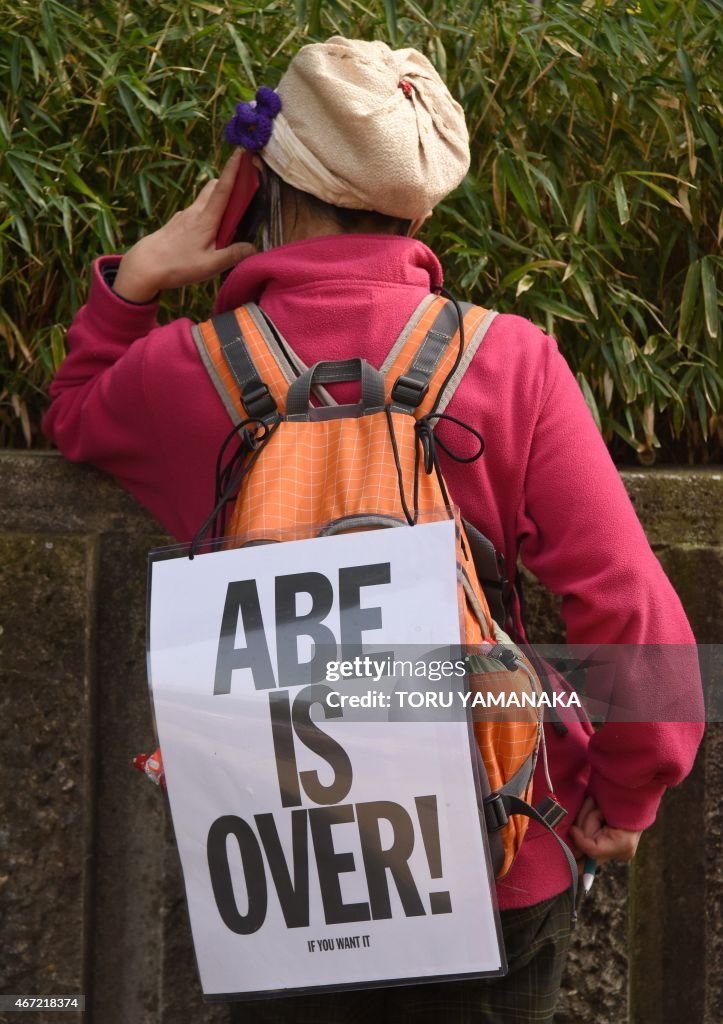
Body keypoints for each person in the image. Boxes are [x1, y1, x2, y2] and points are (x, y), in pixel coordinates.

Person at [43, 36, 703, 1024]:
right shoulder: (511, 362)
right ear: (424, 203)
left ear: (258, 186)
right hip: (497, 856)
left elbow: (77, 407)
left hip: (279, 876)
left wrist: (140, 276)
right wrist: (632, 786)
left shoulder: (193, 375)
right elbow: (630, 611)